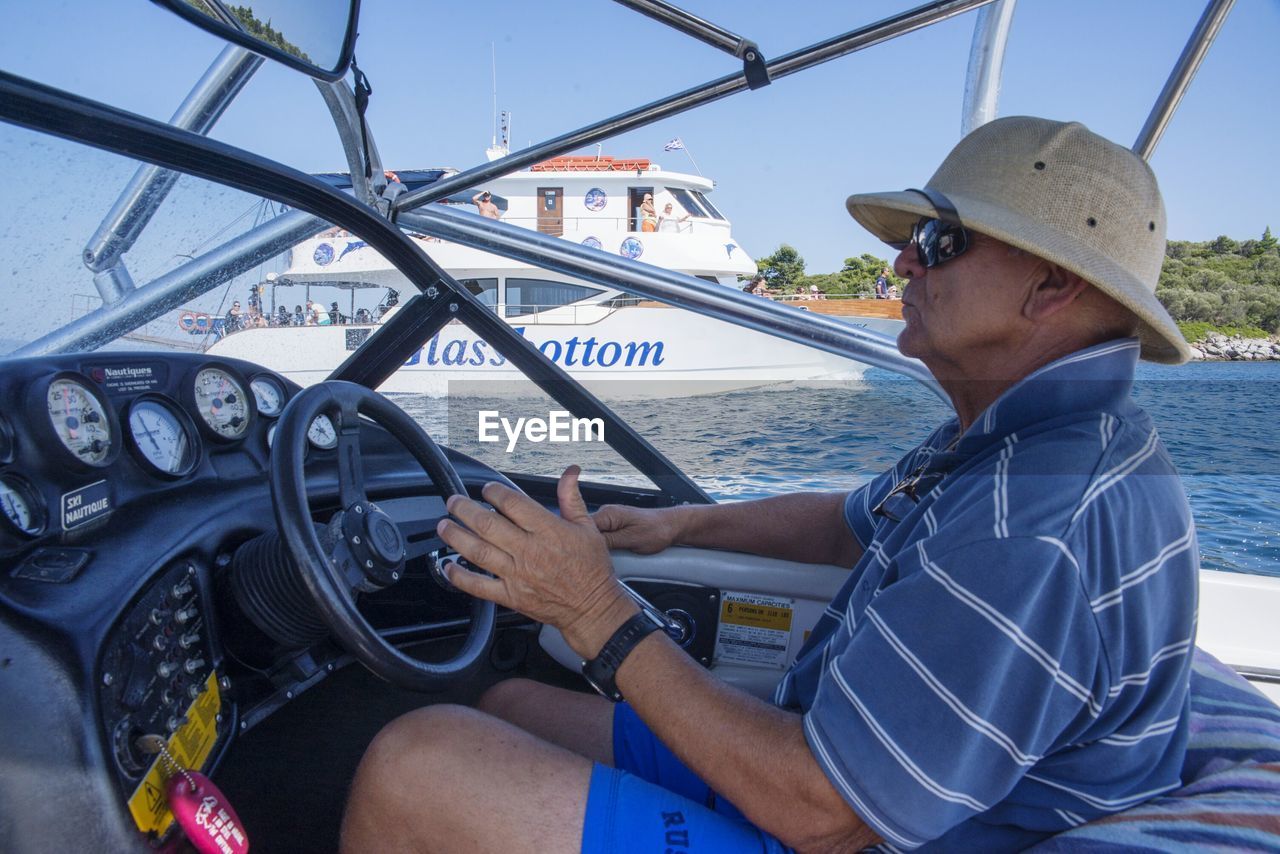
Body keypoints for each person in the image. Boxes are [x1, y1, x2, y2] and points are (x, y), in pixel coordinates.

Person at [342, 117, 1199, 852]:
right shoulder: (1020, 437)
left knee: (413, 764)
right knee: (510, 703)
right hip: (835, 766)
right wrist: (679, 527)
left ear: (1052, 287)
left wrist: (594, 611)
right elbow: (845, 527)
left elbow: (825, 815)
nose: (902, 263)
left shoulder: (1036, 522)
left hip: (831, 820)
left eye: (939, 242)